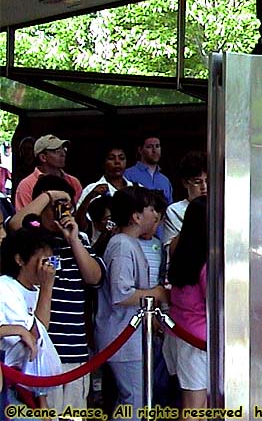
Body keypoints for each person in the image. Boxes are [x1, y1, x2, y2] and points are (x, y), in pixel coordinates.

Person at [8, 175, 106, 415]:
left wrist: (73, 238)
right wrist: (49, 196)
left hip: (75, 348)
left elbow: (94, 277)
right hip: (42, 351)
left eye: (65, 205)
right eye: (53, 207)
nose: (59, 211)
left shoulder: (79, 239)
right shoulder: (29, 239)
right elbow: (14, 225)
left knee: (74, 415)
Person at [96, 186, 170, 419]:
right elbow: (121, 294)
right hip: (123, 337)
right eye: (150, 209)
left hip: (130, 337)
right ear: (136, 216)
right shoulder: (122, 245)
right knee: (135, 400)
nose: (155, 215)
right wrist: (156, 293)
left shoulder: (128, 243)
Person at [0, 223, 58, 415]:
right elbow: (36, 333)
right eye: (43, 261)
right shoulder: (5, 287)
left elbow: (41, 346)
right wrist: (48, 287)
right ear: (19, 259)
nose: (48, 267)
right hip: (8, 386)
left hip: (29, 386)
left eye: (51, 261)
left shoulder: (37, 290)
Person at [167, 196, 209, 417]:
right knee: (195, 409)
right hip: (199, 342)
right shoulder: (207, 263)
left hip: (180, 334)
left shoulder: (180, 250)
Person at [75, 146, 133, 234]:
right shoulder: (92, 189)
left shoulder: (136, 188)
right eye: (111, 158)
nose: (117, 162)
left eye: (121, 158)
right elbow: (81, 224)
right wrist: (90, 197)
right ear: (103, 163)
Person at [14, 135, 83, 210]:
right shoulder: (26, 186)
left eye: (64, 149)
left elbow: (79, 214)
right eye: (57, 151)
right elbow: (24, 219)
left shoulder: (73, 182)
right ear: (43, 157)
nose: (63, 154)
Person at [163, 151, 207, 257]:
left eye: (208, 181)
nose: (204, 187)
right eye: (197, 182)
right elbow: (171, 252)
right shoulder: (174, 210)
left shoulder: (221, 207)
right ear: (185, 183)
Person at [124, 135, 173, 204]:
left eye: (157, 146)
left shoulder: (165, 180)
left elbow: (169, 208)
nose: (154, 150)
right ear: (140, 150)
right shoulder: (128, 175)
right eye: (149, 147)